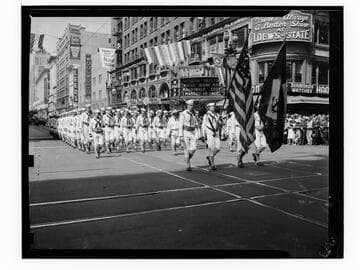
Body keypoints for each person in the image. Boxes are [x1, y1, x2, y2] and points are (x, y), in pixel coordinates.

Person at [179, 100, 198, 171]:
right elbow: (180, 124)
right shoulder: (183, 113)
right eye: (190, 105)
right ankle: (188, 164)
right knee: (186, 149)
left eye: (192, 105)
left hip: (192, 132)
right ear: (187, 105)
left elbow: (195, 122)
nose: (191, 106)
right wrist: (181, 135)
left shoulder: (193, 114)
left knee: (194, 148)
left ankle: (187, 159)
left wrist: (196, 124)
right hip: (185, 132)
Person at [202, 103, 221, 170]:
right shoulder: (206, 115)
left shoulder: (217, 114)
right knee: (211, 148)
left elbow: (219, 124)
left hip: (216, 132)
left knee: (218, 148)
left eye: (214, 106)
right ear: (208, 107)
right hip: (209, 132)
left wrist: (220, 120)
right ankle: (212, 164)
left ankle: (210, 157)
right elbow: (203, 125)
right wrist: (203, 134)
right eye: (212, 106)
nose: (213, 107)